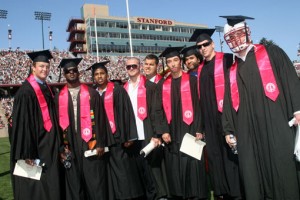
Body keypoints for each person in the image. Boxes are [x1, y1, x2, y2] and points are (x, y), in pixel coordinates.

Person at [220, 15, 300, 199]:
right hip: (247, 130)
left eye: (239, 34)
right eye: (231, 37)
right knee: (252, 172)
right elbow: (228, 104)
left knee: (281, 166)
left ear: (248, 32)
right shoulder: (232, 70)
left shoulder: (272, 53)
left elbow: (290, 80)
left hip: (276, 123)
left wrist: (297, 109)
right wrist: (228, 130)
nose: (236, 40)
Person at [189, 28, 242, 199]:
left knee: (229, 155)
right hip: (209, 120)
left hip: (225, 116)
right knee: (214, 155)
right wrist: (200, 125)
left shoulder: (227, 59)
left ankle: (236, 192)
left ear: (212, 44)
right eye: (199, 46)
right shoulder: (201, 69)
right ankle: (221, 192)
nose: (202, 48)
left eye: (205, 45)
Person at [155, 47, 208, 199]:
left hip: (190, 128)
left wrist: (199, 128)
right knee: (175, 164)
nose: (172, 64)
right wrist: (164, 130)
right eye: (169, 61)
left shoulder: (192, 80)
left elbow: (199, 105)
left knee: (192, 164)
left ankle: (196, 195)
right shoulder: (163, 85)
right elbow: (158, 110)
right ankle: (179, 195)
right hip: (171, 132)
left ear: (181, 61)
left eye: (175, 60)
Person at [87, 60, 145, 200]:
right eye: (96, 74)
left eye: (102, 73)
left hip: (118, 138)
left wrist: (130, 136)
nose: (99, 76)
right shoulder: (92, 94)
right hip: (102, 140)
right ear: (93, 77)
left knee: (123, 173)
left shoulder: (117, 90)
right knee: (108, 175)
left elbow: (128, 113)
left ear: (107, 75)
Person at [10, 50, 62, 200]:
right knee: (36, 190)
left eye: (47, 66)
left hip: (48, 147)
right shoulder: (26, 92)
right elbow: (22, 126)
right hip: (36, 149)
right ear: (33, 67)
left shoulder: (47, 89)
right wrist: (27, 152)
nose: (44, 69)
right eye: (41, 66)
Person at [55, 58, 107, 200]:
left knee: (95, 183)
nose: (71, 73)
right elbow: (57, 126)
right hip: (70, 145)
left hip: (91, 142)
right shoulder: (59, 97)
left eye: (74, 70)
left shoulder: (92, 93)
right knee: (74, 185)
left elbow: (101, 120)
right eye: (68, 71)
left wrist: (101, 143)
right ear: (64, 74)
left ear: (79, 72)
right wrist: (61, 148)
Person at [124, 57, 163, 200]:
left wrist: (156, 134)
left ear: (139, 66)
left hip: (147, 134)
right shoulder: (123, 89)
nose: (131, 68)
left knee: (151, 172)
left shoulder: (150, 86)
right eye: (128, 67)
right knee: (138, 173)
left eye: (134, 66)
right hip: (132, 137)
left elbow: (156, 112)